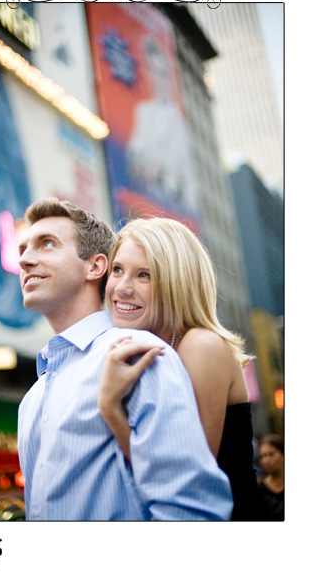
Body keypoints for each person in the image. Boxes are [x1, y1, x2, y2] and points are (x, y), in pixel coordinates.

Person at [16, 198, 232, 520]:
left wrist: (111, 410)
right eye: (120, 271)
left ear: (94, 266)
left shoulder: (141, 352)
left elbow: (191, 506)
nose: (25, 260)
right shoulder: (33, 398)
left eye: (47, 244)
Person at [97, 217, 262, 520]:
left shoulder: (201, 345)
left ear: (177, 281)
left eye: (143, 275)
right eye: (117, 269)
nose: (121, 287)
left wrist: (110, 407)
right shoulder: (137, 346)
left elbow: (184, 484)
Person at [256, 434, 284, 520]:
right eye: (262, 456)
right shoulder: (259, 490)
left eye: (271, 454)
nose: (266, 460)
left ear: (282, 455)